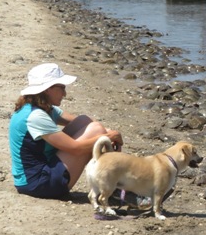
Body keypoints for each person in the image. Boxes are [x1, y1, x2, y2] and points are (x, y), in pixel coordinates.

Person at [9, 63, 124, 200]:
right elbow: (75, 149)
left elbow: (84, 122)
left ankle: (113, 183)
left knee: (86, 121)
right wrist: (108, 137)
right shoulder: (36, 117)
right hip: (38, 183)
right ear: (47, 89)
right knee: (96, 131)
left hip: (36, 175)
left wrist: (107, 132)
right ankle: (113, 186)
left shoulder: (39, 107)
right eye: (62, 88)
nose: (65, 93)